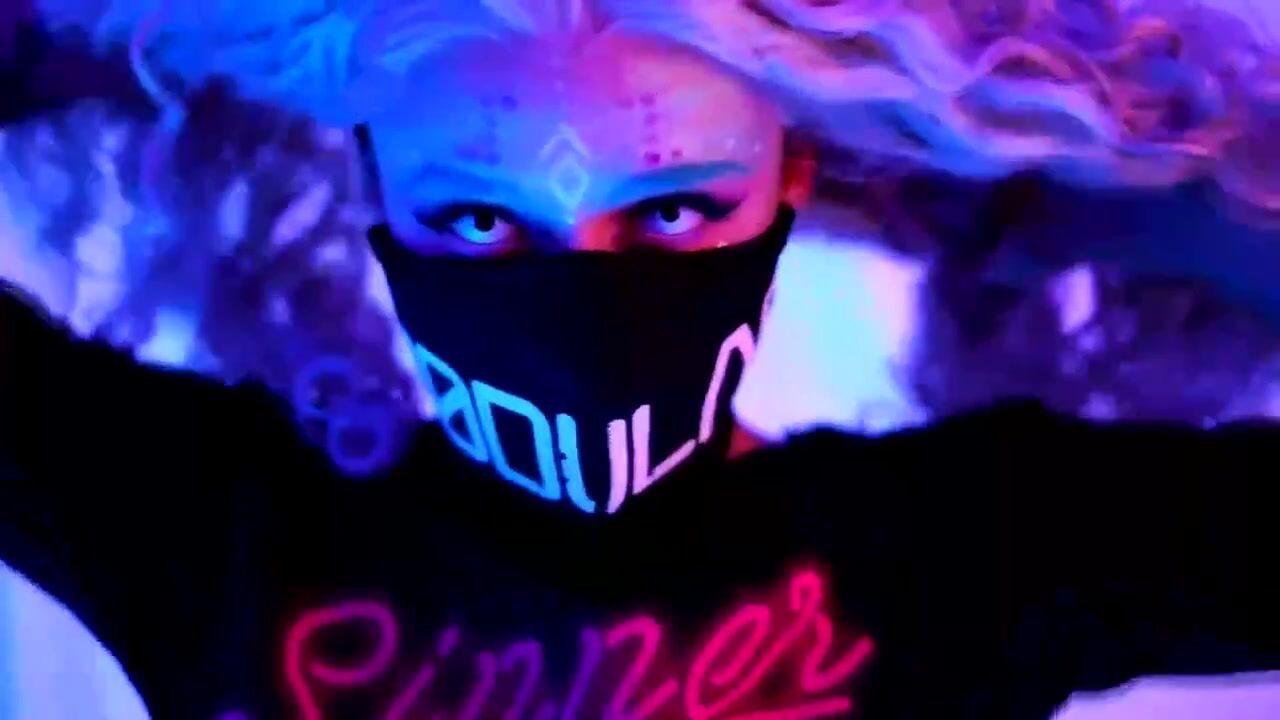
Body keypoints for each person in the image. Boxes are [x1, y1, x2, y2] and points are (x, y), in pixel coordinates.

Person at [2, 0, 1280, 719]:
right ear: (377, 194)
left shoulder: (971, 545)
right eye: (478, 220)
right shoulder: (217, 529)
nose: (578, 297)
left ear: (787, 181)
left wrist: (1151, 192)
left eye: (669, 210)